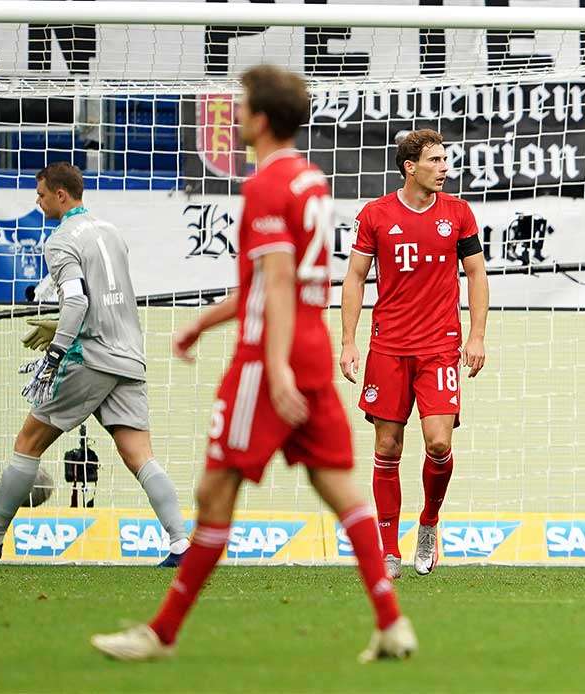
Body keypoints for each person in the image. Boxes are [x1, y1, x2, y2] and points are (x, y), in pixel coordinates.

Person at [90, 65, 417, 661]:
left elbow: (279, 281)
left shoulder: (265, 187)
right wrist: (201, 322)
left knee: (214, 492)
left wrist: (276, 367)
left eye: (241, 106)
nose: (235, 116)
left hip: (271, 359)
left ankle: (161, 634)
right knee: (339, 486)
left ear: (262, 119)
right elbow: (272, 281)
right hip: (310, 345)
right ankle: (392, 621)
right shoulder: (311, 181)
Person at [0, 162, 189, 567]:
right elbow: (104, 295)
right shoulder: (111, 232)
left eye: (42, 195)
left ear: (61, 195)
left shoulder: (60, 240)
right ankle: (181, 543)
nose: (38, 202)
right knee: (139, 455)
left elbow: (78, 300)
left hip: (90, 357)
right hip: (128, 356)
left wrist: (58, 349)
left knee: (28, 443)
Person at [340, 129, 489, 579]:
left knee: (439, 442)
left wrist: (477, 336)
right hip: (388, 347)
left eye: (446, 160)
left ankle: (429, 522)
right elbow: (355, 278)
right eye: (436, 160)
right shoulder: (376, 214)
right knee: (388, 445)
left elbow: (477, 275)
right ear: (411, 167)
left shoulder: (458, 214)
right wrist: (348, 340)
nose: (445, 167)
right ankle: (389, 549)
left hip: (440, 346)